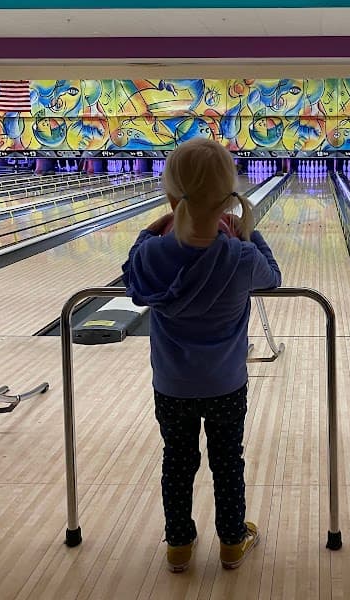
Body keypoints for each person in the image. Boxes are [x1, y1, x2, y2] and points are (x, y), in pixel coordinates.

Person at [122, 138, 281, 573]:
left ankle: (178, 545)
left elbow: (131, 273)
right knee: (227, 460)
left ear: (172, 199)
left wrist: (151, 230)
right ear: (230, 197)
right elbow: (273, 277)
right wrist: (250, 234)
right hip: (226, 384)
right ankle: (231, 541)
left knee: (177, 460)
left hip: (172, 386)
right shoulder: (242, 255)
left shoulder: (154, 253)